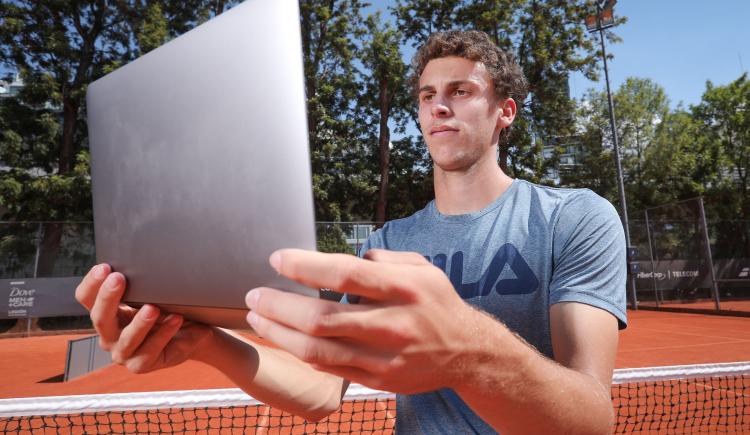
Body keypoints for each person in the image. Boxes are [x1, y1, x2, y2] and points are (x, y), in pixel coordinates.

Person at [76, 30, 626, 434]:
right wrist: (203, 341)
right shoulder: (386, 245)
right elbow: (322, 391)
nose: (438, 104)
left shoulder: (573, 218)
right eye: (427, 95)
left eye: (460, 91)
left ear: (504, 111)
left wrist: (469, 351)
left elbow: (592, 419)